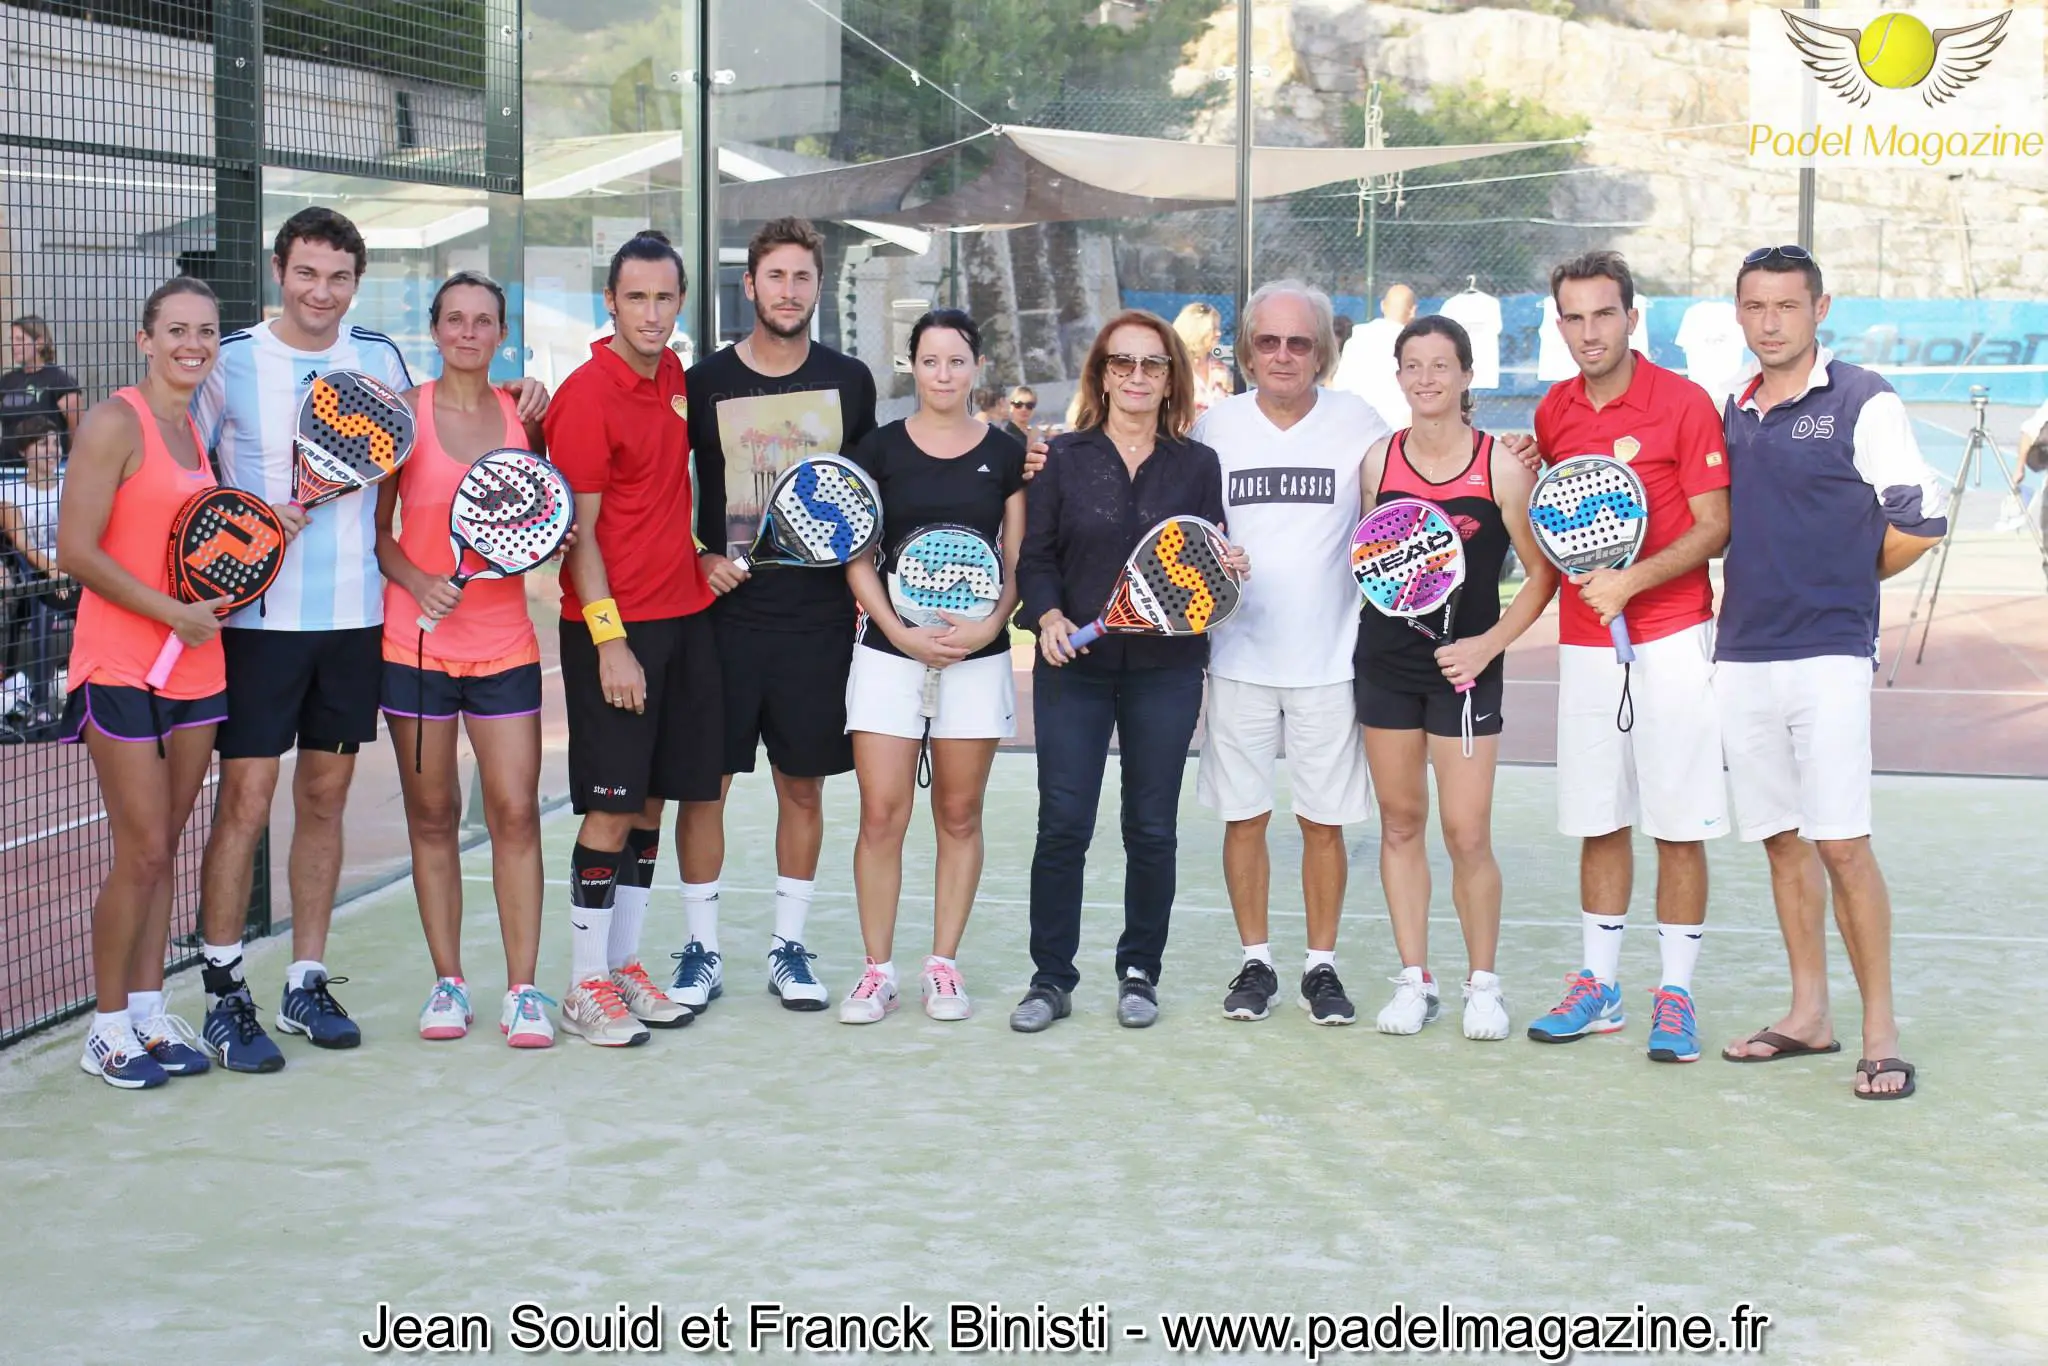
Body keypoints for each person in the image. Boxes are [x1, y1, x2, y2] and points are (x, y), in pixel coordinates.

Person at [190, 206, 548, 1072]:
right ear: (280, 271)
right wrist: (240, 521)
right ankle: (224, 989)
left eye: (338, 277)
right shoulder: (230, 363)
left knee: (324, 801)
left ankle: (306, 978)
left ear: (356, 284)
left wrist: (525, 394)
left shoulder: (379, 361)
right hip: (259, 627)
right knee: (242, 805)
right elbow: (188, 479)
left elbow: (410, 473)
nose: (322, 292)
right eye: (307, 273)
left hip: (355, 624)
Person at [1715, 245, 1945, 1100]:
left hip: (1830, 655)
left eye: (1786, 305)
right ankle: (1808, 1014)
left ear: (1820, 310)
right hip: (1741, 655)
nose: (1769, 321)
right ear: (1740, 313)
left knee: (1840, 842)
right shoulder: (1730, 409)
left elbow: (1920, 519)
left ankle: (1879, 1033)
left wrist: (1846, 579)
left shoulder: (1862, 398)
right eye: (1754, 306)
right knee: (1780, 839)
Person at [1009, 310, 1247, 1033]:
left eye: (1152, 364)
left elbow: (1204, 562)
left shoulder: (1196, 466)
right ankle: (1051, 979)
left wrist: (1230, 564)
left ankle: (1140, 970)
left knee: (1150, 829)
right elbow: (1037, 558)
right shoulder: (1063, 458)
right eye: (1123, 363)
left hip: (1165, 672)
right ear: (1102, 375)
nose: (1138, 376)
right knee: (1064, 826)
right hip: (1074, 672)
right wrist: (1048, 617)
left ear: (1171, 376)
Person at [1523, 252, 1733, 1065]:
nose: (1587, 332)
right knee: (1599, 817)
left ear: (1632, 318)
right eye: (1572, 318)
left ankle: (1674, 995)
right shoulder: (1553, 411)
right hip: (1585, 646)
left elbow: (1714, 525)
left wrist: (1632, 582)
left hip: (1674, 636)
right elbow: (1560, 513)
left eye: (1602, 315)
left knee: (1677, 823)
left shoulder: (1683, 404)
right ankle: (1600, 988)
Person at [674, 218, 880, 1017]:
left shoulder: (850, 381)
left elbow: (868, 497)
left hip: (817, 623)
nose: (787, 292)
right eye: (775, 277)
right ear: (750, 286)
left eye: (802, 278)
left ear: (816, 288)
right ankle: (702, 951)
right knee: (707, 787)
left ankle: (788, 949)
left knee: (803, 789)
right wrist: (698, 555)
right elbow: (666, 490)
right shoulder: (704, 384)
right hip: (723, 621)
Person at [54, 278, 236, 1088]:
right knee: (143, 849)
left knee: (166, 850)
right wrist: (172, 611)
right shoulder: (113, 421)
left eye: (204, 331)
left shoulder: (194, 429)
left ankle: (150, 1013)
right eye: (175, 330)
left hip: (196, 666)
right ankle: (105, 1027)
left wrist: (209, 599)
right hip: (122, 666)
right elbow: (77, 551)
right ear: (145, 340)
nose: (191, 344)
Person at [1356, 315, 1556, 1040]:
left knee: (1467, 833)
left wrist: (1486, 645)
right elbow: (1370, 563)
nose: (1427, 379)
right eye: (1414, 365)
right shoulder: (1378, 463)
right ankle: (1415, 980)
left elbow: (1541, 576)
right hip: (1385, 667)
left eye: (1442, 365)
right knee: (1401, 824)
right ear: (1399, 375)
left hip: (1466, 674)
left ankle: (1484, 985)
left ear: (1467, 376)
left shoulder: (1501, 466)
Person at [1196, 280, 1389, 1026]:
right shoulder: (1216, 428)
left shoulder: (1359, 423)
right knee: (1244, 817)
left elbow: (1410, 484)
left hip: (1330, 662)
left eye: (1299, 342)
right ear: (1246, 351)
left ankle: (1321, 967)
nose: (1282, 355)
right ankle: (1256, 962)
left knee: (1322, 822)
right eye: (1268, 342)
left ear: (1322, 353)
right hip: (1238, 657)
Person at [374, 271, 555, 1048]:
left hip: (506, 647)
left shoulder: (525, 417)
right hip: (413, 647)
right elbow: (377, 532)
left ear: (500, 332)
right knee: (434, 814)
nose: (469, 333)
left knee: (514, 812)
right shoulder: (402, 420)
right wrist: (419, 580)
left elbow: (546, 509)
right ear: (436, 329)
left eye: (483, 321)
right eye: (455, 320)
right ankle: (447, 984)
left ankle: (523, 991)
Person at [549, 229, 714, 1045]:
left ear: (679, 303)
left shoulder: (676, 376)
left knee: (649, 804)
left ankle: (622, 964)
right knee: (608, 812)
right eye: (636, 298)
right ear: (608, 303)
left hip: (684, 621)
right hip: (614, 632)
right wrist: (611, 642)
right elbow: (577, 538)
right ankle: (582, 986)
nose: (651, 314)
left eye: (664, 298)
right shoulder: (584, 395)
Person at [838, 308, 1026, 1024]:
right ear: (911, 368)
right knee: (882, 816)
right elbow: (855, 555)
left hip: (976, 660)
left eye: (956, 361)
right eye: (929, 361)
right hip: (889, 656)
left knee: (958, 813)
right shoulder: (877, 450)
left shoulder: (1006, 453)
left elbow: (1016, 560)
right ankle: (876, 971)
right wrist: (898, 631)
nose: (943, 374)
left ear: (975, 368)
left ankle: (942, 966)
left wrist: (985, 629)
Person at [1333, 283, 1417, 432]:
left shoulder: (1356, 338)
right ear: (1413, 311)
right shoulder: (1415, 347)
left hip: (1352, 428)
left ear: (1383, 306)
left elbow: (1338, 386)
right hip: (1394, 433)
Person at [1, 315, 84, 457]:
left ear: (39, 342)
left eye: (20, 340)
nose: (14, 346)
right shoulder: (7, 381)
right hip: (7, 472)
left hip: (48, 473)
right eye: (12, 340)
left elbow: (77, 432)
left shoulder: (60, 381)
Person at [1172, 301, 1236, 414]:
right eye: (1213, 328)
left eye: (1218, 328)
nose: (1219, 333)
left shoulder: (1220, 369)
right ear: (1196, 331)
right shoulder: (1175, 369)